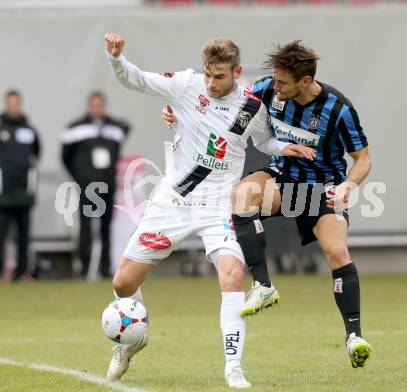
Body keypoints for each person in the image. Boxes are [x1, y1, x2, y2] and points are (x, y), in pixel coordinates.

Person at [104, 32, 315, 388]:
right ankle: (131, 339)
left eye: (220, 77)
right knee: (123, 283)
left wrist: (285, 147)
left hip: (219, 205)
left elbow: (263, 140)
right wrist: (116, 58)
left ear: (237, 72)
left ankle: (234, 368)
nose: (212, 83)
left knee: (232, 277)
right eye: (208, 75)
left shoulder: (251, 106)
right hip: (174, 200)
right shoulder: (185, 85)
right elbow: (135, 79)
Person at [163, 40, 373, 369]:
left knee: (336, 252)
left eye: (282, 82)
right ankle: (263, 285)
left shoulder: (337, 109)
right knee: (243, 196)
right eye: (273, 80)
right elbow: (225, 105)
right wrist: (179, 115)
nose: (275, 87)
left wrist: (349, 184)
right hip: (284, 176)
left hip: (323, 188)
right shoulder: (266, 90)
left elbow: (363, 159)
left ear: (305, 81)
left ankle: (354, 337)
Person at [62, 91, 130, 279]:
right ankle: (84, 268)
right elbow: (65, 156)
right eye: (94, 105)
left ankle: (105, 268)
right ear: (89, 106)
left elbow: (120, 141)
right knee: (86, 227)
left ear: (104, 106)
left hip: (107, 184)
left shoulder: (113, 128)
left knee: (106, 228)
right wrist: (80, 177)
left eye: (100, 105)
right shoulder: (76, 128)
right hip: (87, 186)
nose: (97, 108)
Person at [0, 90, 40, 282]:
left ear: (20, 104)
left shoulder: (29, 130)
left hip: (24, 193)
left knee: (24, 236)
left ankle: (22, 272)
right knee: (1, 235)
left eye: (16, 103)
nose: (13, 107)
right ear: (6, 105)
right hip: (3, 194)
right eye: (10, 103)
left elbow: (36, 155)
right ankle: (2, 273)